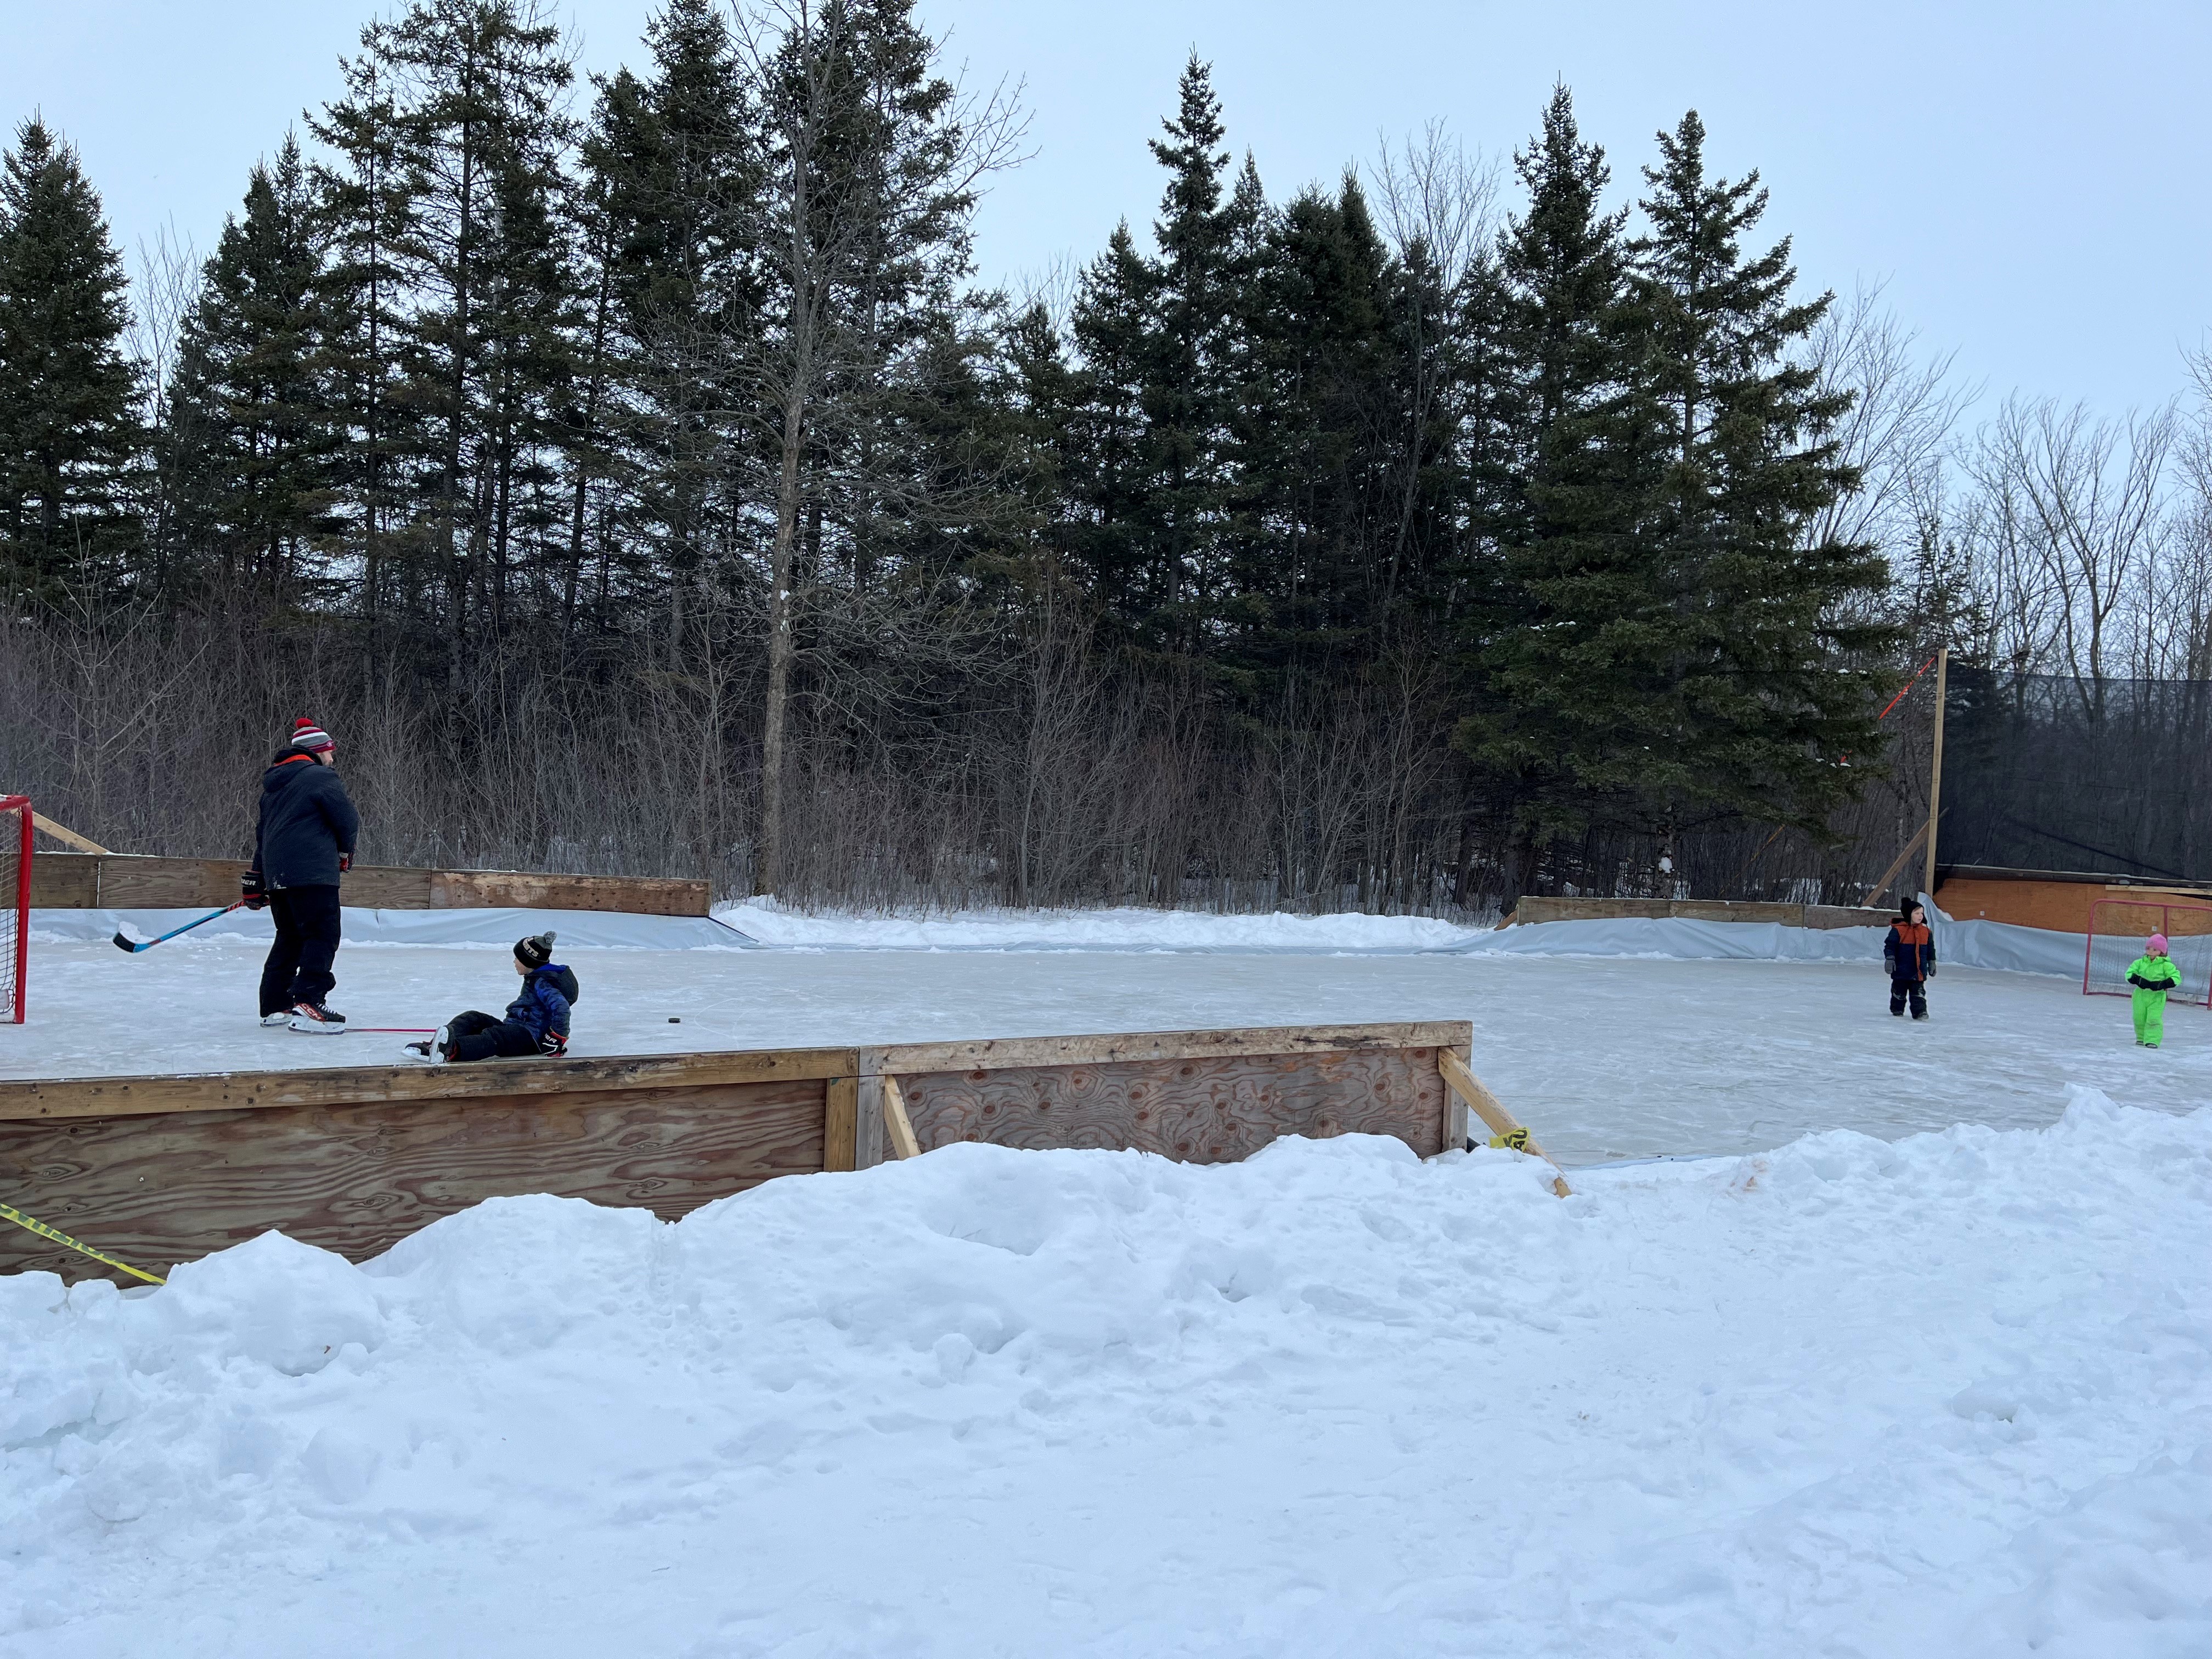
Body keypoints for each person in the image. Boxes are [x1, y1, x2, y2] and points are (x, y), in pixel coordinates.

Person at [241, 718, 360, 1033]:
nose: (332, 758)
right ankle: (309, 1002)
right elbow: (347, 820)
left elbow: (263, 836)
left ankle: (274, 1006)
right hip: (312, 874)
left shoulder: (273, 788)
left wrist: (257, 877)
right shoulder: (320, 777)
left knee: (290, 937)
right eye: (329, 752)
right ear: (317, 752)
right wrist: (345, 853)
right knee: (322, 935)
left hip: (278, 875)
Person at [410, 932, 577, 1064]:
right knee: (473, 1017)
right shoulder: (536, 977)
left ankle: (452, 1051)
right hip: (518, 1028)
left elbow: (561, 1007)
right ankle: (437, 1046)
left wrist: (558, 1037)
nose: (514, 961)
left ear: (529, 962)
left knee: (495, 1037)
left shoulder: (542, 983)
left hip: (532, 1038)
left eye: (518, 958)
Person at [1883, 898, 1937, 1020]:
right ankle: (1897, 1009)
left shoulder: (1926, 932)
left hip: (1918, 970)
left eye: (1922, 913)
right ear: (1909, 914)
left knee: (1919, 993)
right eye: (1917, 913)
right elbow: (1890, 946)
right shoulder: (1898, 930)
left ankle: (1920, 1012)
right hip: (1901, 969)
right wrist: (1890, 959)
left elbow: (1930, 949)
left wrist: (1932, 962)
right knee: (1899, 993)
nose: (1920, 916)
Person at [2126, 934, 2182, 1048]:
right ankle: (2141, 1038)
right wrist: (2138, 980)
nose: (2150, 951)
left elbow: (2177, 978)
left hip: (2157, 997)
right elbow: (2129, 973)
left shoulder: (2166, 965)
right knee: (2139, 1017)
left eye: (2155, 949)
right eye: (2148, 948)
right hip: (2140, 995)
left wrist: (2163, 984)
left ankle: (2152, 1039)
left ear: (2162, 952)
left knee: (2154, 1018)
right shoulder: (2140, 963)